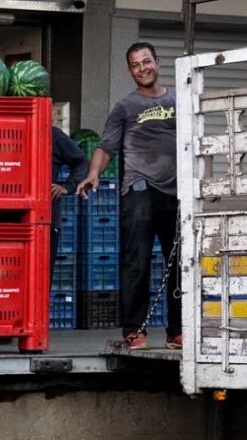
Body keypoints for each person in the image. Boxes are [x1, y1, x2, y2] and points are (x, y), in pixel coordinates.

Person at [76, 42, 181, 350]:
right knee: (137, 262)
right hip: (139, 191)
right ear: (130, 71)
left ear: (157, 62)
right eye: (135, 65)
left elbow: (196, 138)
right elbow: (106, 146)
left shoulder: (179, 100)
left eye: (146, 62)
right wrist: (93, 173)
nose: (142, 68)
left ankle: (177, 331)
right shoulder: (125, 107)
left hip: (177, 193)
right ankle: (134, 330)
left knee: (180, 264)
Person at [51, 126, 89, 280]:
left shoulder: (52, 135)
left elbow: (83, 162)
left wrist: (67, 187)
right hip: (10, 215)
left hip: (46, 218)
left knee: (41, 275)